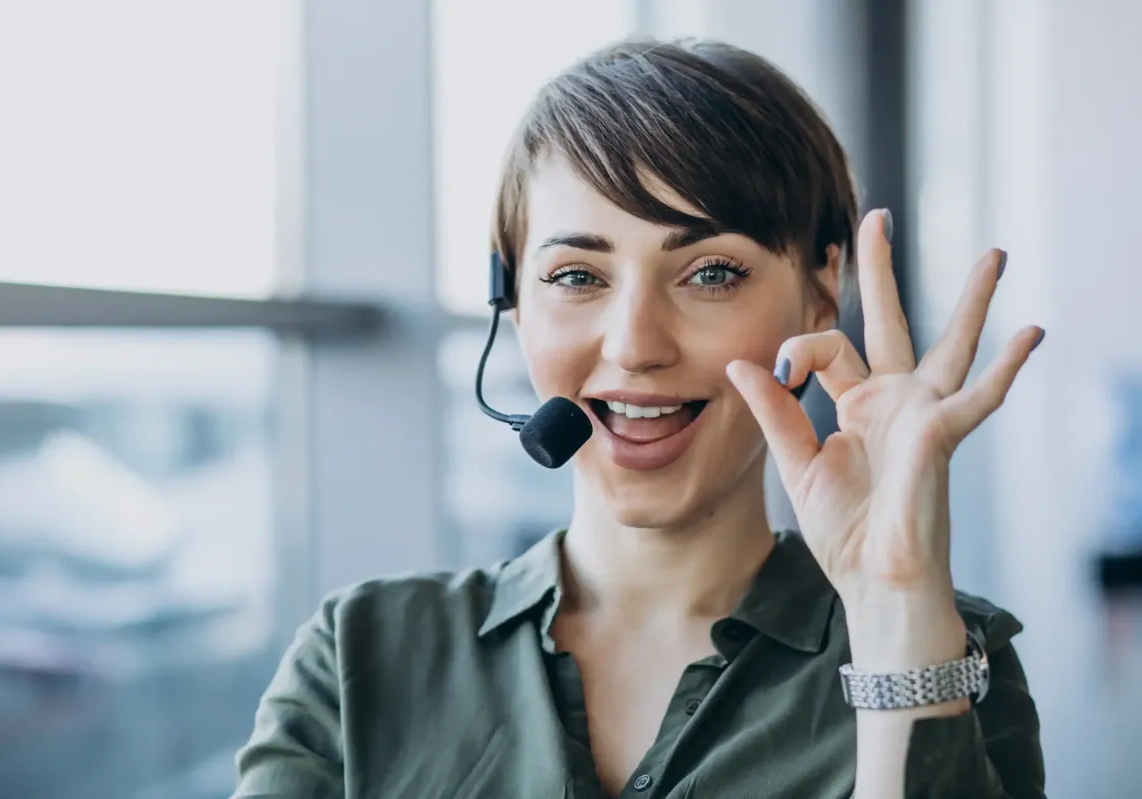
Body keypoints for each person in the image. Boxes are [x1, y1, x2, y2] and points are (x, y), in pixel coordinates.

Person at [232, 39, 1046, 799]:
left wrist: (896, 606)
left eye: (711, 272)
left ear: (820, 288)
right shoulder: (359, 657)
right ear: (511, 305)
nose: (635, 345)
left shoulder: (951, 648)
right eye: (578, 275)